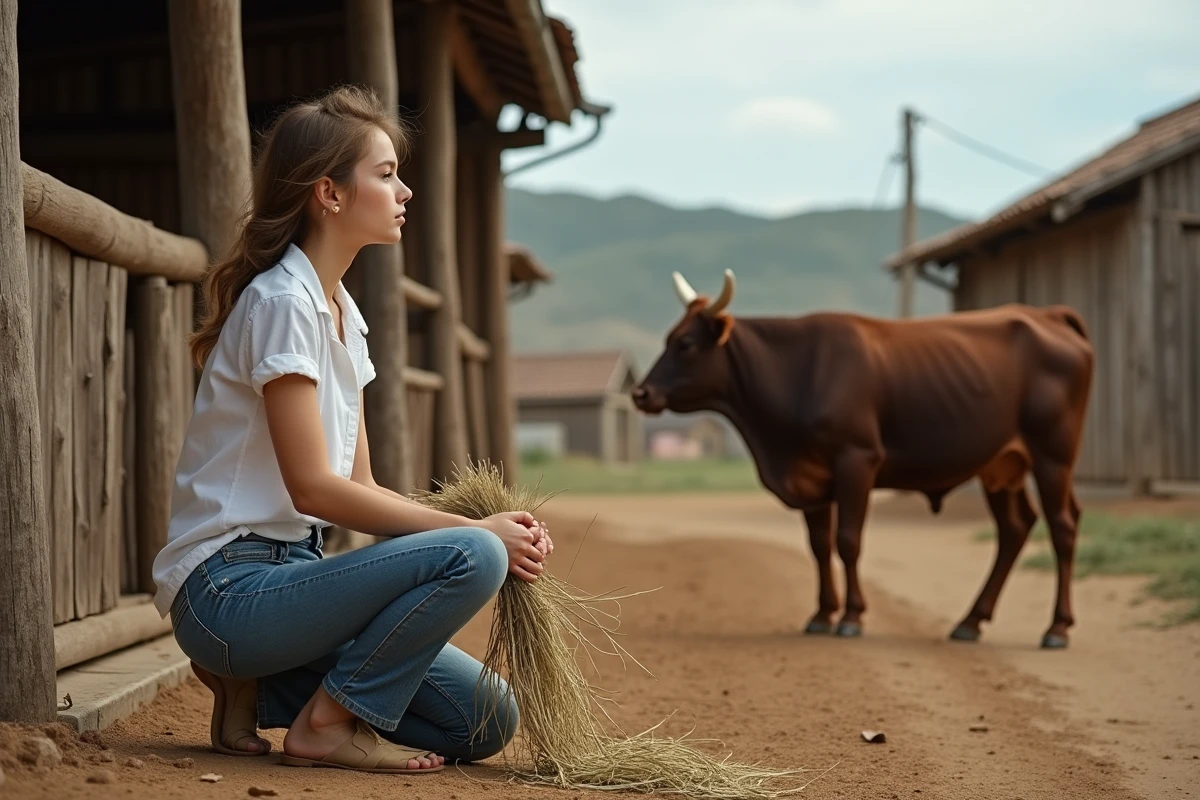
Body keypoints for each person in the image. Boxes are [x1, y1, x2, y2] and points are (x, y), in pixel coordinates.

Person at [150, 85, 552, 775]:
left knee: (488, 717)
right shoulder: (281, 303)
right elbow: (314, 488)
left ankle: (256, 683)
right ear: (329, 194)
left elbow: (359, 484)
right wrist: (478, 540)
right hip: (228, 592)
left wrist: (484, 525)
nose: (406, 192)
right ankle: (324, 725)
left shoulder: (341, 312)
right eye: (387, 173)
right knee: (473, 559)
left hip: (296, 582)